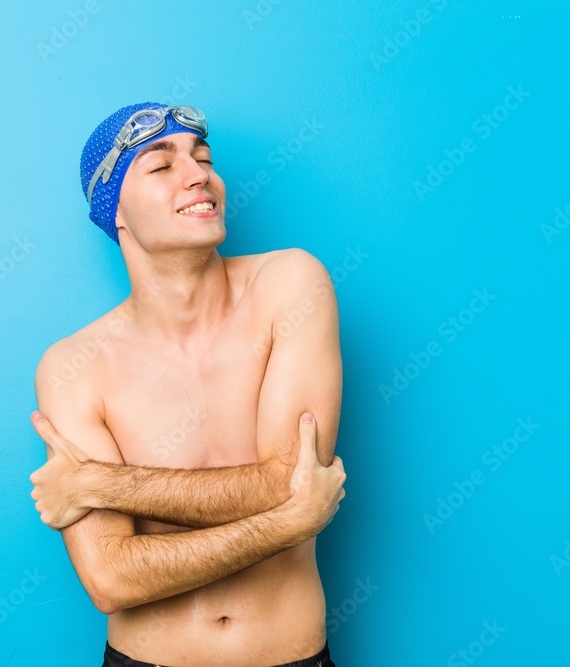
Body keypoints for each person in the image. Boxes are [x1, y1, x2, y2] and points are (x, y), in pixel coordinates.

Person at [29, 102, 346, 667]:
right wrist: (289, 524)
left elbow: (286, 481)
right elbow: (111, 580)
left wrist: (100, 484)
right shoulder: (73, 366)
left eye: (203, 158)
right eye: (160, 166)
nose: (199, 173)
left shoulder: (290, 285)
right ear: (117, 214)